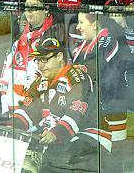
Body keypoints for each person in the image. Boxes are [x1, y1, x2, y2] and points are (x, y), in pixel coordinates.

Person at [11, 37, 111, 172]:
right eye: (38, 60)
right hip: (59, 140)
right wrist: (10, 127)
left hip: (91, 137)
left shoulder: (76, 77)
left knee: (55, 160)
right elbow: (28, 110)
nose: (40, 65)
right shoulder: (40, 82)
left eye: (45, 60)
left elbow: (76, 114)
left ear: (59, 57)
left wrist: (55, 133)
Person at [0, 0, 66, 113]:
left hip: (43, 104)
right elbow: (8, 65)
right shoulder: (20, 33)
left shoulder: (55, 34)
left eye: (34, 7)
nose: (29, 11)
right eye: (27, 7)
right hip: (16, 100)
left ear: (46, 9)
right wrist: (5, 95)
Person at [73, 12, 128, 145]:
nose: (77, 27)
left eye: (81, 22)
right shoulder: (83, 44)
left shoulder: (109, 41)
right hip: (92, 108)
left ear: (95, 24)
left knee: (112, 151)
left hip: (111, 107)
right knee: (93, 152)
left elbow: (98, 73)